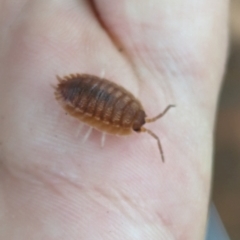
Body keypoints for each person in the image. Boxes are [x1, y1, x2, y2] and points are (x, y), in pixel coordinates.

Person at [0, 1, 228, 239]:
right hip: (79, 91)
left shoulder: (127, 112)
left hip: (85, 91)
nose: (143, 124)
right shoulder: (120, 122)